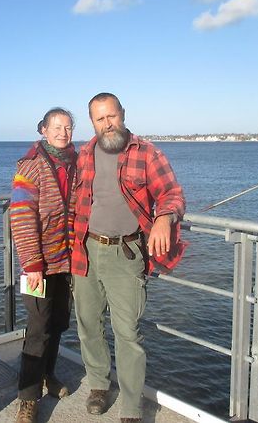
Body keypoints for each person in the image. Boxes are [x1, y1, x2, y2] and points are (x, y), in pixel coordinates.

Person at [71, 92, 186, 423]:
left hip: (127, 253)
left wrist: (165, 217)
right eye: (99, 119)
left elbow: (172, 193)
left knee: (128, 333)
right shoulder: (85, 153)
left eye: (112, 116)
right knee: (88, 325)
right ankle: (97, 385)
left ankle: (132, 407)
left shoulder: (146, 152)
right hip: (86, 250)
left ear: (122, 114)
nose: (107, 124)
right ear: (92, 122)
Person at [10, 107, 77, 423]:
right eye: (57, 127)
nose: (63, 132)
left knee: (59, 323)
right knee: (38, 329)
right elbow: (21, 217)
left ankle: (49, 375)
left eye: (68, 127)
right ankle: (27, 398)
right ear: (43, 130)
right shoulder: (32, 166)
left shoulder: (76, 163)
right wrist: (32, 263)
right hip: (38, 264)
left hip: (67, 262)